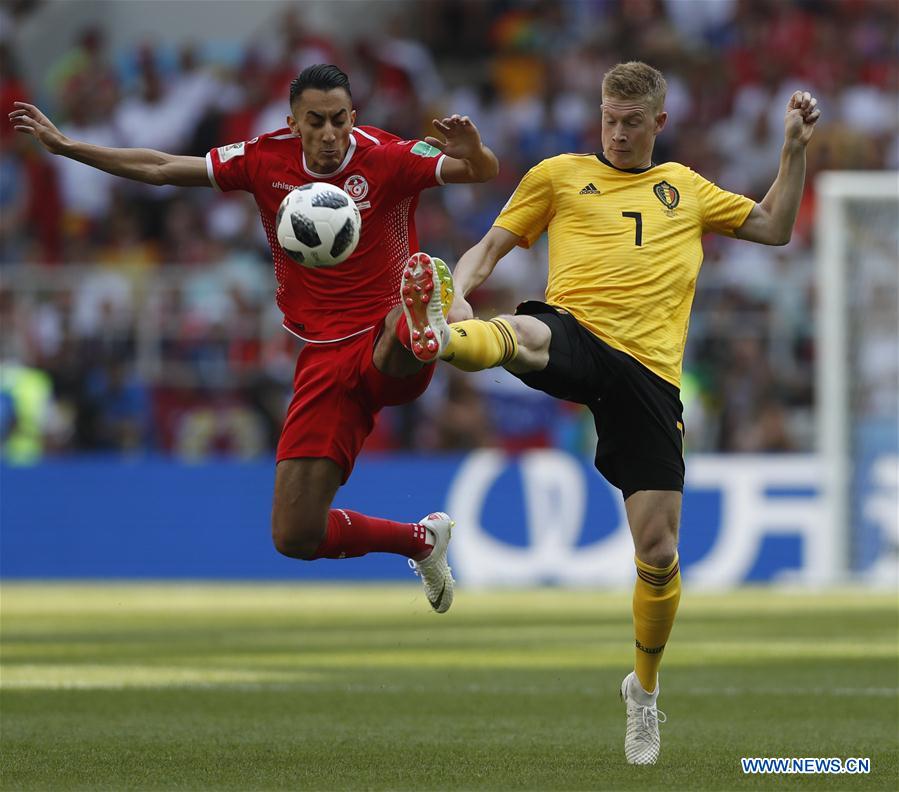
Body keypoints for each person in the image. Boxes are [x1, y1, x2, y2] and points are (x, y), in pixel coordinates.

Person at [402, 61, 820, 763]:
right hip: (576, 329)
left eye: (631, 123)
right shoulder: (558, 175)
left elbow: (775, 226)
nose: (617, 133)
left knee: (657, 551)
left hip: (650, 376)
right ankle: (441, 335)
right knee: (525, 338)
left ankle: (643, 694)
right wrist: (457, 291)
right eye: (608, 119)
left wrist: (793, 151)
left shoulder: (684, 188)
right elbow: (489, 246)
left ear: (658, 123)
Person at [10, 63, 499, 613]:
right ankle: (421, 541)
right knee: (295, 536)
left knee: (395, 326)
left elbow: (479, 171)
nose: (329, 133)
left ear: (353, 117)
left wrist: (474, 149)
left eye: (339, 119)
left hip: (386, 342)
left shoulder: (386, 156)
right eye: (315, 121)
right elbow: (164, 166)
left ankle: (419, 314)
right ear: (293, 122)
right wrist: (69, 146)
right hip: (320, 357)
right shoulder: (264, 159)